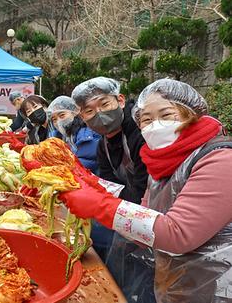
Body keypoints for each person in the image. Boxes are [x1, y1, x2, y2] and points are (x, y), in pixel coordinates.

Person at [62, 78, 232, 303]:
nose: (156, 125)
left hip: (216, 286)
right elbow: (146, 217)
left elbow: (178, 233)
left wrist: (101, 205)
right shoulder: (159, 162)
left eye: (167, 115)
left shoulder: (220, 160)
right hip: (175, 281)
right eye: (147, 119)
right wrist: (91, 188)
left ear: (191, 113)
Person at [72, 77, 154, 302]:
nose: (98, 114)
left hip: (152, 218)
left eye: (104, 104)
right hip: (128, 214)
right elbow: (110, 185)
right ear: (83, 117)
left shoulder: (142, 134)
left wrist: (109, 203)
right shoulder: (103, 145)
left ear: (120, 100)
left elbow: (142, 188)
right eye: (89, 111)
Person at [48, 96, 101, 173]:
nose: (58, 121)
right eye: (54, 119)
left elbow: (88, 163)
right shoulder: (55, 138)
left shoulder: (89, 134)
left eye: (62, 115)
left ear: (75, 112)